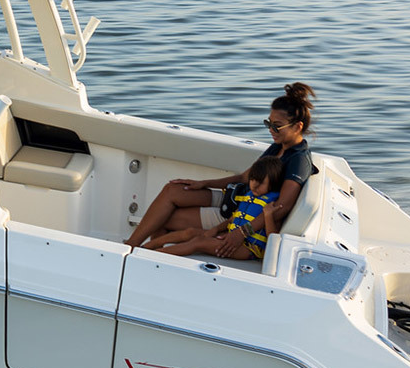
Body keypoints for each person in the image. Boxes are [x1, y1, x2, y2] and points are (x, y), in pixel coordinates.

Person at [123, 82, 317, 255]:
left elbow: (280, 208)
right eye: (268, 124)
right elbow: (244, 178)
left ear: (297, 127)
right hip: (235, 198)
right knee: (172, 190)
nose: (270, 131)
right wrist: (204, 183)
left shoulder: (298, 160)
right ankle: (133, 246)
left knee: (165, 218)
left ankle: (146, 256)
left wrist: (241, 233)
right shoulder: (278, 147)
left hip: (240, 212)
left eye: (277, 126)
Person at [148, 157, 284, 261]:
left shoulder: (270, 205)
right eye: (253, 180)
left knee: (199, 242)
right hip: (231, 236)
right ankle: (146, 248)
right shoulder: (249, 197)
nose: (254, 185)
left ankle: (152, 256)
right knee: (190, 233)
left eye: (261, 183)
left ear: (272, 184)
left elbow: (272, 236)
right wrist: (215, 229)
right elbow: (233, 219)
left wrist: (268, 216)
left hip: (248, 249)